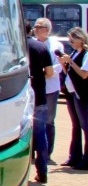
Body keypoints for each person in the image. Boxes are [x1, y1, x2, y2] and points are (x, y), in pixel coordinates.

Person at [32, 19, 64, 160]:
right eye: (36, 26)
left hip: (51, 87)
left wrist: (45, 73)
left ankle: (47, 153)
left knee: (49, 121)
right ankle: (32, 151)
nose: (37, 29)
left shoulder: (57, 45)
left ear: (47, 29)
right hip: (35, 88)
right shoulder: (32, 44)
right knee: (32, 121)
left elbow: (59, 65)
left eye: (40, 27)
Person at [58, 27, 88, 169]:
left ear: (81, 40)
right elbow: (69, 73)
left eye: (72, 39)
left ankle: (86, 159)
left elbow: (83, 74)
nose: (70, 42)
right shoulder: (75, 53)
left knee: (85, 126)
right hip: (72, 93)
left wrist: (70, 62)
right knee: (76, 126)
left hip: (81, 94)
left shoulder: (86, 54)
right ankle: (74, 157)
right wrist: (63, 63)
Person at [27, 31, 54, 184]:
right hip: (39, 96)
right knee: (40, 134)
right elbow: (49, 72)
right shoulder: (41, 47)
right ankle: (42, 172)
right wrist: (38, 76)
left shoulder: (16, 46)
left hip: (20, 96)